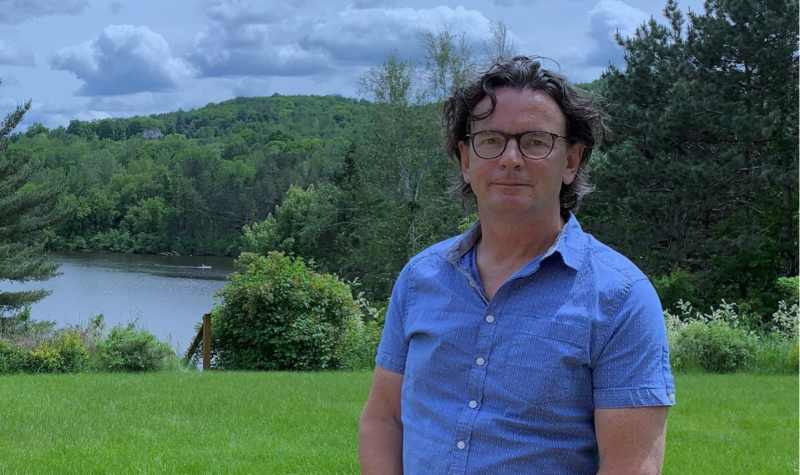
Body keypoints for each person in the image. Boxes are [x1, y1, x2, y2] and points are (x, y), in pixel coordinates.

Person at [358, 57, 676, 475]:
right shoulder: (420, 279)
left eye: (535, 140)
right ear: (465, 159)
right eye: (490, 140)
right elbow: (385, 417)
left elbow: (631, 466)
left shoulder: (621, 299)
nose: (511, 158)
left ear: (572, 160)